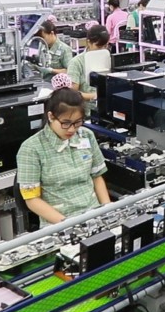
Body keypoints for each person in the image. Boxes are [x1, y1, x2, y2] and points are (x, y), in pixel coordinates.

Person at [16, 75, 109, 226]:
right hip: (59, 223)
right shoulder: (31, 149)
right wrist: (68, 224)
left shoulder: (86, 135)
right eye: (66, 123)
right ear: (51, 116)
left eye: (77, 122)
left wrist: (107, 210)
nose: (72, 129)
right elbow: (32, 200)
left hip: (94, 214)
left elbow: (97, 177)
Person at [66, 24, 110, 102]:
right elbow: (72, 93)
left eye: (106, 46)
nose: (103, 49)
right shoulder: (76, 62)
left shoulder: (109, 57)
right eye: (99, 47)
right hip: (87, 109)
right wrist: (96, 95)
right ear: (89, 42)